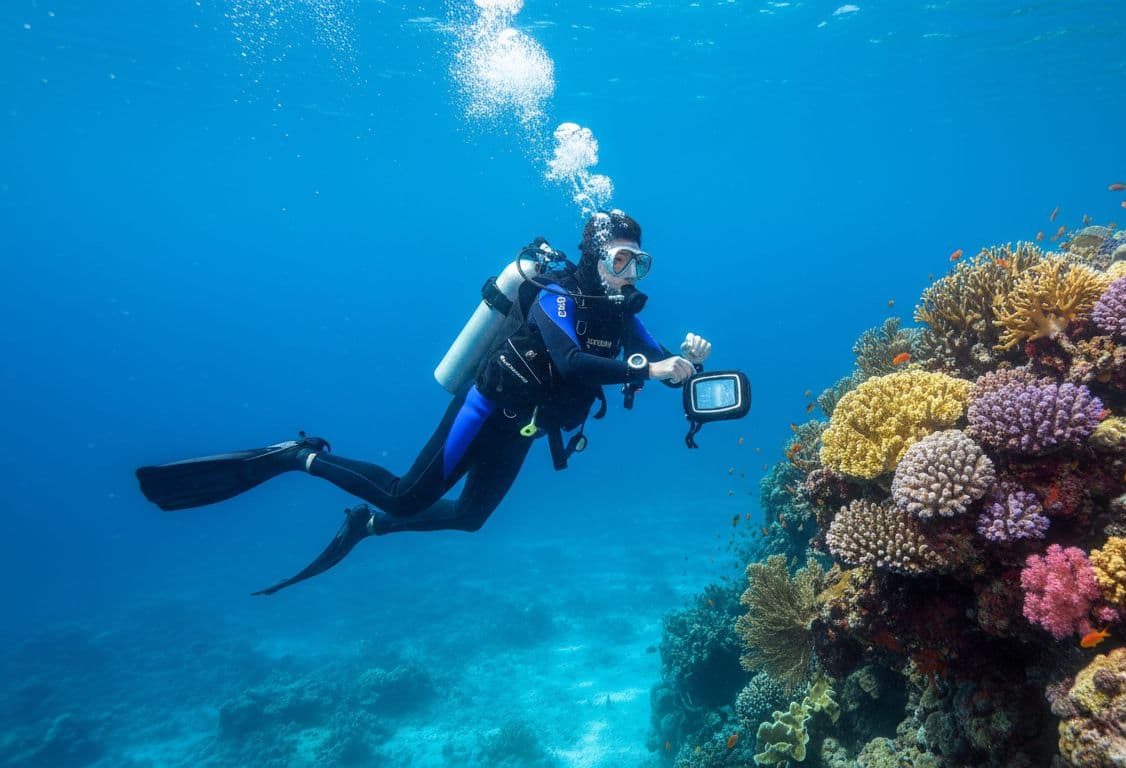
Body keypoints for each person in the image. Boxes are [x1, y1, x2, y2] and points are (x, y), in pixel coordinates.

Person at [136, 210, 710, 594]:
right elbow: (572, 364)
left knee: (470, 517)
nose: (631, 272)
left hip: (526, 430)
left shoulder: (622, 319)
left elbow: (662, 366)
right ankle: (297, 455)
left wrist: (690, 364)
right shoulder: (553, 297)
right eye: (620, 260)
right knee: (408, 495)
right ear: (595, 259)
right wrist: (655, 365)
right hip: (487, 406)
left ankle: (368, 526)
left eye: (640, 262)